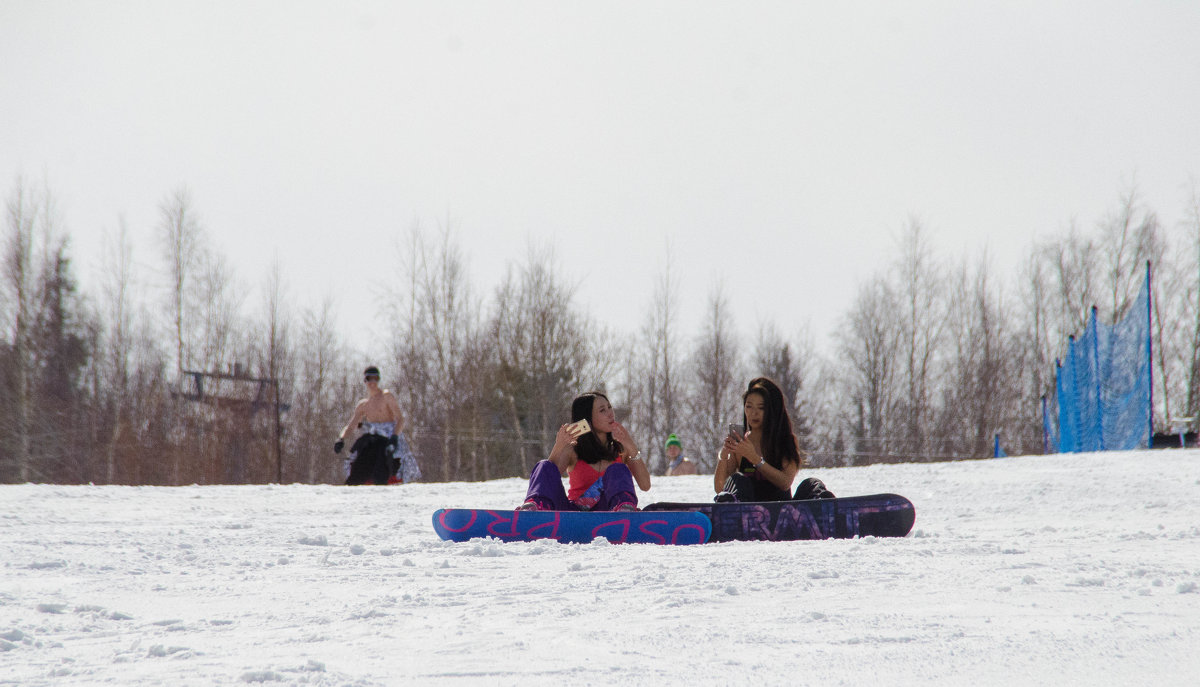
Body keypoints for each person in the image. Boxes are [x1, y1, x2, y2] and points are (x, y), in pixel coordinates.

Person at [518, 391, 651, 511]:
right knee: (543, 465)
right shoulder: (572, 449)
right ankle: (535, 510)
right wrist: (559, 445)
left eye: (609, 407)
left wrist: (631, 445)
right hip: (573, 515)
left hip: (607, 513)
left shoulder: (621, 449)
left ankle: (624, 510)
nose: (610, 413)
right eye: (602, 410)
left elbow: (645, 485)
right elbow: (547, 477)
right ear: (587, 418)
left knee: (618, 469)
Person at [713, 376, 835, 502]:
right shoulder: (740, 443)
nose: (753, 413)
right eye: (749, 406)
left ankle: (827, 509)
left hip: (782, 512)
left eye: (761, 408)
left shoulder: (785, 441)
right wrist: (723, 456)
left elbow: (785, 483)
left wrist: (755, 459)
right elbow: (720, 488)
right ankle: (731, 512)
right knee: (737, 479)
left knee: (812, 484)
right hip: (748, 513)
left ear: (772, 410)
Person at [333, 366, 408, 485]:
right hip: (372, 440)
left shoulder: (386, 396)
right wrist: (341, 439)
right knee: (356, 472)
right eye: (369, 378)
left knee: (382, 471)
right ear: (365, 381)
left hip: (387, 440)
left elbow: (400, 419)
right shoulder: (363, 405)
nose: (372, 382)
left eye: (375, 378)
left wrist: (394, 437)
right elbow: (351, 426)